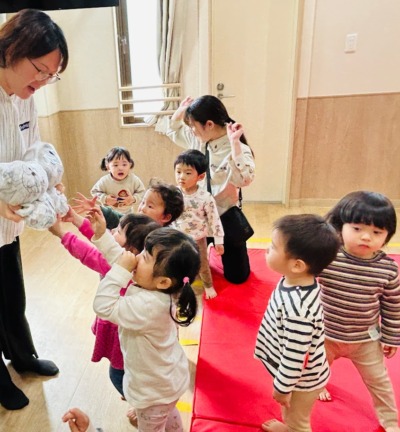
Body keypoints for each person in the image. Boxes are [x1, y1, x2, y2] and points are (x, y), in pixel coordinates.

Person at [0, 9, 68, 410]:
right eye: (40, 70)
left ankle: (22, 358)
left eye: (51, 76)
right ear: (11, 49)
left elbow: (35, 149)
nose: (43, 82)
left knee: (12, 297)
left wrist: (49, 178)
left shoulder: (25, 100)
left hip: (10, 224)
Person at [88, 206, 200, 432]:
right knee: (168, 412)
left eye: (145, 256)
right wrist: (101, 235)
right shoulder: (161, 288)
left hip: (154, 393)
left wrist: (119, 271)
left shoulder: (149, 306)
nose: (136, 258)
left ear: (163, 281)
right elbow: (123, 259)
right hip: (168, 382)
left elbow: (103, 305)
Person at [318, 191, 400, 432]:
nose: (366, 237)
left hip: (365, 340)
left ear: (387, 236)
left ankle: (391, 422)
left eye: (377, 232)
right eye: (357, 229)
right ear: (340, 227)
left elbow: (393, 306)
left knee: (380, 382)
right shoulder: (327, 256)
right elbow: (301, 280)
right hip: (324, 335)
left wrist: (391, 336)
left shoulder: (388, 269)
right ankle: (320, 384)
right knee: (314, 372)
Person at [254, 214, 340, 432]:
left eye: (273, 247)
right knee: (290, 414)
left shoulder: (298, 311)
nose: (267, 249)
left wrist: (282, 388)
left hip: (302, 381)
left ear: (297, 265)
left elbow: (295, 356)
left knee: (297, 421)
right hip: (295, 376)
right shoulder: (293, 281)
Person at [166, 95, 255, 284]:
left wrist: (235, 146)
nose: (191, 130)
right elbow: (173, 130)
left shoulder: (236, 146)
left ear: (209, 124)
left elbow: (245, 180)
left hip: (223, 216)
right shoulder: (199, 139)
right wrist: (180, 111)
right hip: (195, 217)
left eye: (193, 126)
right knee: (189, 269)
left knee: (238, 277)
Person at [172, 149, 224, 299]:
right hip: (177, 237)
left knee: (202, 264)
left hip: (198, 238)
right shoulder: (173, 193)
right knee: (178, 262)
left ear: (200, 176)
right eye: (178, 172)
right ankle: (178, 285)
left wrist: (219, 241)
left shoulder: (205, 197)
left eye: (188, 173)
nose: (181, 176)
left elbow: (214, 219)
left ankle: (208, 285)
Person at [90, 146, 145, 215]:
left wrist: (133, 199)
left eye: (124, 164)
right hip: (109, 214)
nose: (120, 168)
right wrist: (105, 198)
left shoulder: (134, 180)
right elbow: (94, 191)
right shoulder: (104, 181)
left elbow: (142, 192)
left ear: (130, 165)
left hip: (127, 214)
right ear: (108, 167)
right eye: (115, 165)